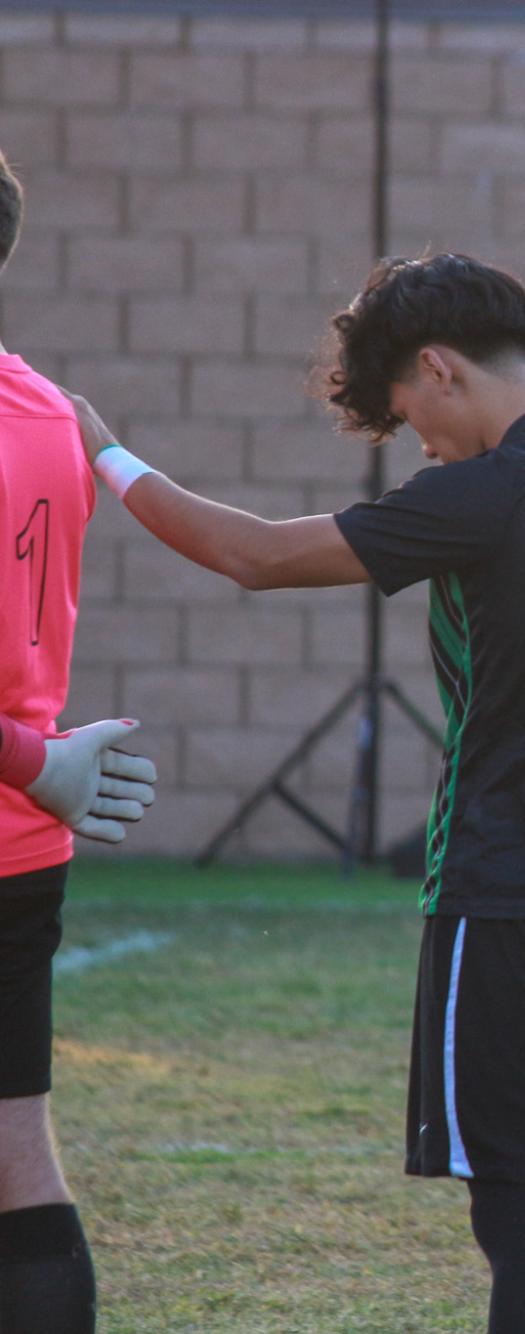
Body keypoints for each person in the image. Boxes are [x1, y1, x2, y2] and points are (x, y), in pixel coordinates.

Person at [65, 251, 525, 1334]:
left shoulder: (490, 490)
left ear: (439, 366)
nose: (422, 443)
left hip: (503, 901)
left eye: (411, 412)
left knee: (522, 1212)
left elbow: (256, 557)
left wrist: (107, 453)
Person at [0, 147, 159, 1334]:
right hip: (25, 843)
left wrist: (35, 759)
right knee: (16, 1151)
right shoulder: (51, 410)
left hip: (27, 791)